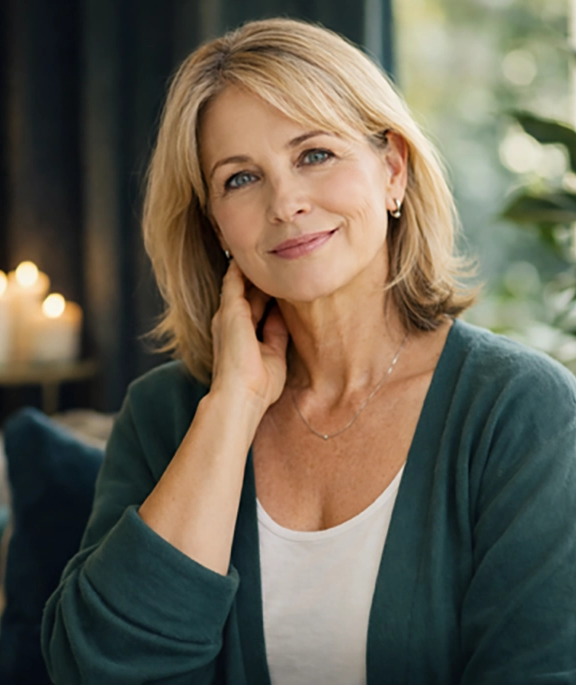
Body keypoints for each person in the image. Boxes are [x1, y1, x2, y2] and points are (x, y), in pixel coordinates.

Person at [42, 17, 576, 685]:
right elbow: (99, 670)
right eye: (240, 179)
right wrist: (232, 406)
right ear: (216, 226)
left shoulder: (522, 411)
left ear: (392, 171)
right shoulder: (163, 415)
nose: (286, 202)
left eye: (314, 154)